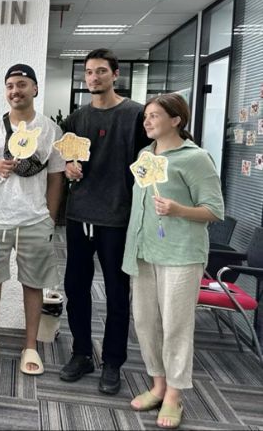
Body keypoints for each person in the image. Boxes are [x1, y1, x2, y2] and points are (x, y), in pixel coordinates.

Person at [123, 94, 223, 429]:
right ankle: (158, 385)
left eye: (154, 116)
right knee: (145, 322)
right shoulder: (145, 155)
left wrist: (178, 210)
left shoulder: (195, 158)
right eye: (146, 116)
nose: (147, 121)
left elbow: (214, 210)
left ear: (176, 120)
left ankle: (174, 395)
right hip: (143, 250)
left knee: (176, 326)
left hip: (180, 255)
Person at [60, 48, 150, 394]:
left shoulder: (136, 115)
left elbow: (151, 161)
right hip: (79, 215)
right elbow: (66, 161)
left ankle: (113, 362)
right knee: (75, 289)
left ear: (115, 75)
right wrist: (68, 168)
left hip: (117, 217)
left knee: (116, 292)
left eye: (100, 71)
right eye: (88, 72)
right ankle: (82, 353)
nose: (94, 78)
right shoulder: (76, 119)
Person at [0, 64, 64, 374]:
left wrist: (50, 218)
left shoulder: (50, 130)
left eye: (22, 84)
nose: (16, 90)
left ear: (35, 89)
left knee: (33, 284)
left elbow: (56, 177)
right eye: (10, 85)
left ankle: (30, 346)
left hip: (35, 219)